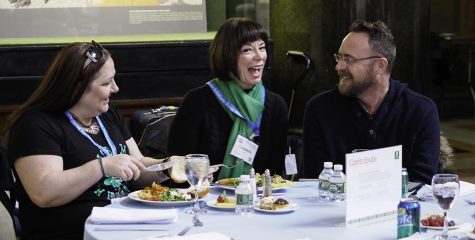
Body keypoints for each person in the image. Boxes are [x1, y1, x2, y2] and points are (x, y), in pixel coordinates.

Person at [3, 41, 181, 240]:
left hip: (126, 224)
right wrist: (101, 167)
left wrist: (169, 166)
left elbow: (138, 169)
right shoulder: (36, 124)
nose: (116, 88)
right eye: (106, 83)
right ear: (76, 86)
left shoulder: (106, 114)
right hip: (71, 233)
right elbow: (44, 193)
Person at [303, 19, 440, 184]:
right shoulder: (319, 109)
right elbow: (315, 179)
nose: (338, 67)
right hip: (336, 208)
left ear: (380, 66)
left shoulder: (420, 111)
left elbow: (421, 183)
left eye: (349, 59)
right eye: (339, 57)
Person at [168, 17, 288, 180]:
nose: (259, 56)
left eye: (262, 47)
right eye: (248, 50)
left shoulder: (276, 106)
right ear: (228, 56)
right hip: (205, 199)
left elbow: (275, 174)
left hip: (257, 200)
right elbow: (177, 170)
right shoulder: (197, 102)